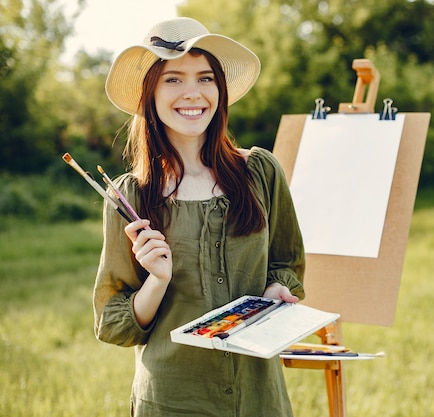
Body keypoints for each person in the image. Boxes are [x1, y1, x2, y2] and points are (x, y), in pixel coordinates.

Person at [93, 17, 305, 417]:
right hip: (173, 400)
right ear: (150, 92)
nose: (193, 93)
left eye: (205, 78)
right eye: (173, 79)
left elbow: (286, 263)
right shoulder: (131, 196)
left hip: (259, 397)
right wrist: (156, 281)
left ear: (219, 90)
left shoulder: (260, 172)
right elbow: (113, 321)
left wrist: (277, 290)